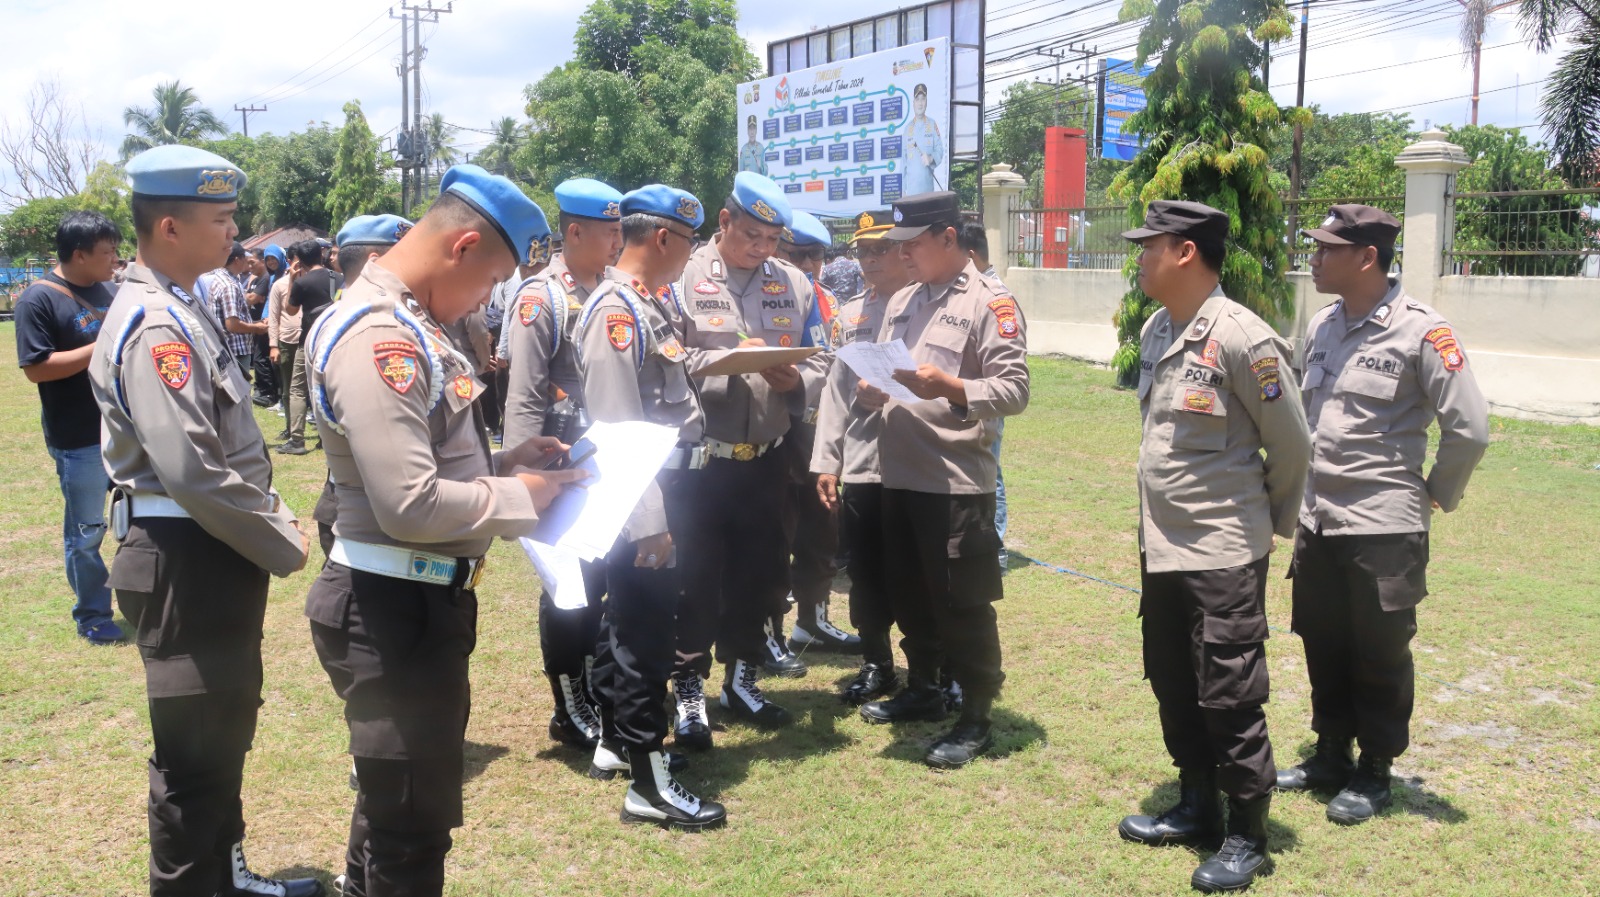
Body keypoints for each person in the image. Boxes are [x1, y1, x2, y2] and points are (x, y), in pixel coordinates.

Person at [303, 164, 587, 897]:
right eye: (490, 280)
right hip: (390, 608)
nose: (487, 298)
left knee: (395, 811)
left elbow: (423, 455)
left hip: (414, 601)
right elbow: (407, 503)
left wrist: (504, 462)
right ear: (461, 247)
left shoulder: (411, 322)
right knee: (412, 832)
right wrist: (519, 495)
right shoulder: (381, 337)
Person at [88, 145, 320, 897]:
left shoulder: (180, 305)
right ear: (170, 227)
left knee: (221, 734)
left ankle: (227, 874)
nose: (234, 233)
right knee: (192, 762)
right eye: (221, 219)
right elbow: (191, 470)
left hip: (207, 551)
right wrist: (278, 533)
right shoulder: (158, 324)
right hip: (185, 555)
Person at [1114, 200, 1311, 894]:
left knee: (1229, 693)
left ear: (1186, 252)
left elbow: (1293, 446)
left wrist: (1263, 526)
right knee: (1173, 680)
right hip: (1164, 547)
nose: (1140, 258)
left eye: (1150, 246)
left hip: (1222, 550)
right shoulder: (1157, 330)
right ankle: (1198, 803)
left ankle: (1247, 832)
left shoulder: (1242, 338)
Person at [1276, 205, 1489, 825]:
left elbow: (1470, 428)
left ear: (1367, 257)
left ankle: (1374, 768)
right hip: (1320, 516)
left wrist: (1435, 492)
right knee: (1322, 639)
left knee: (1379, 650)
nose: (1314, 259)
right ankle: (1330, 754)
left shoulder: (1422, 330)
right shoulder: (1322, 325)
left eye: (1326, 249)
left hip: (1384, 525)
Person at [849, 191, 1028, 771]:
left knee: (961, 602)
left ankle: (975, 712)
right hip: (898, 474)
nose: (902, 255)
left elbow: (1014, 391)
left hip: (954, 480)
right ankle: (923, 686)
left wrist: (949, 387)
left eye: (913, 244)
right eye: (898, 245)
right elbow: (890, 371)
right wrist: (873, 391)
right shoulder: (904, 298)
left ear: (949, 238)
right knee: (909, 592)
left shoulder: (990, 303)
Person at [573, 184, 727, 830]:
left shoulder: (646, 304)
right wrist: (650, 522)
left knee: (632, 626)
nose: (692, 254)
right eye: (690, 241)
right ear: (663, 238)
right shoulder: (617, 312)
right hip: (646, 495)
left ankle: (621, 744)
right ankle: (648, 783)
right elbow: (618, 432)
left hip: (666, 488)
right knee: (644, 637)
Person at [669, 171, 827, 747]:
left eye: (772, 240)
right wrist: (722, 360)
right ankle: (689, 691)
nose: (762, 249)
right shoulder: (681, 277)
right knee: (693, 579)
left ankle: (742, 680)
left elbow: (822, 358)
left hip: (766, 459)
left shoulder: (794, 283)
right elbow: (662, 358)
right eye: (751, 236)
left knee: (759, 575)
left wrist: (796, 381)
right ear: (724, 221)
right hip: (700, 461)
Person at [503, 177, 625, 751]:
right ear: (574, 232)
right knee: (568, 589)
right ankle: (569, 703)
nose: (618, 241)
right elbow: (525, 393)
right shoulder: (542, 297)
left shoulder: (615, 288)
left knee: (603, 583)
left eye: (620, 230)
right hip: (560, 464)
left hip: (609, 463)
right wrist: (523, 482)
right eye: (608, 231)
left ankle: (598, 688)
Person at [813, 210, 912, 702]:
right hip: (863, 462)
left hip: (918, 462)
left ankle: (934, 667)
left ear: (905, 250)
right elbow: (835, 391)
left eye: (880, 249)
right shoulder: (852, 314)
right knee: (866, 573)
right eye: (863, 252)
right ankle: (877, 662)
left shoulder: (929, 304)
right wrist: (826, 462)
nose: (870, 260)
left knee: (918, 572)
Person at [14, 210, 126, 645]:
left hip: (124, 430)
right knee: (87, 532)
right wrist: (102, 346)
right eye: (107, 252)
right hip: (79, 439)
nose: (115, 259)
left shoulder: (112, 291)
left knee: (138, 519)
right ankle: (93, 614)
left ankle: (142, 599)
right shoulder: (38, 300)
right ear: (79, 254)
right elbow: (37, 368)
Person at [772, 211, 860, 654]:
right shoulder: (766, 296)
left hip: (819, 435)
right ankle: (767, 633)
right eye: (797, 254)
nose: (808, 264)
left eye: (816, 255)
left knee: (822, 530)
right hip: (776, 432)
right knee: (774, 536)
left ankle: (814, 622)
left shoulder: (828, 300)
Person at [307, 214, 415, 556]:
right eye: (408, 255)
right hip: (368, 511)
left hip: (356, 500)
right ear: (375, 262)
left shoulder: (339, 317)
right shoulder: (367, 327)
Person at [957, 219, 1010, 570]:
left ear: (971, 256)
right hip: (968, 397)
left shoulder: (994, 294)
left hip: (986, 397)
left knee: (991, 468)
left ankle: (997, 547)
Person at [280, 240, 337, 455]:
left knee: (298, 389)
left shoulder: (302, 283)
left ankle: (297, 439)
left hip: (308, 341)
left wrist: (292, 281)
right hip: (334, 341)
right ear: (321, 255)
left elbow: (290, 310)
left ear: (300, 261)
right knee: (329, 388)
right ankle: (328, 435)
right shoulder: (338, 278)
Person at [202, 241, 264, 373]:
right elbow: (232, 325)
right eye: (244, 258)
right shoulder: (229, 286)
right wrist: (256, 328)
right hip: (235, 351)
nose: (247, 262)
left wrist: (256, 323)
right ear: (237, 260)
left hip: (227, 349)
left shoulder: (220, 279)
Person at [251, 245, 287, 408]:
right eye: (268, 259)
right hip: (270, 321)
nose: (271, 262)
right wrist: (265, 317)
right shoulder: (272, 277)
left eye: (274, 258)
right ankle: (274, 394)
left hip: (283, 323)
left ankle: (279, 396)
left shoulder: (288, 274)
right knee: (268, 359)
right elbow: (269, 301)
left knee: (280, 361)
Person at [903, 84, 944, 195]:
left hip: (928, 192)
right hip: (911, 194)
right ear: (913, 103)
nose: (920, 103)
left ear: (926, 102)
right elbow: (903, 162)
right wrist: (902, 189)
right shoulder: (907, 129)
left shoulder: (932, 124)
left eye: (923, 99)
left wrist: (931, 158)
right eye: (917, 99)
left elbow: (940, 150)